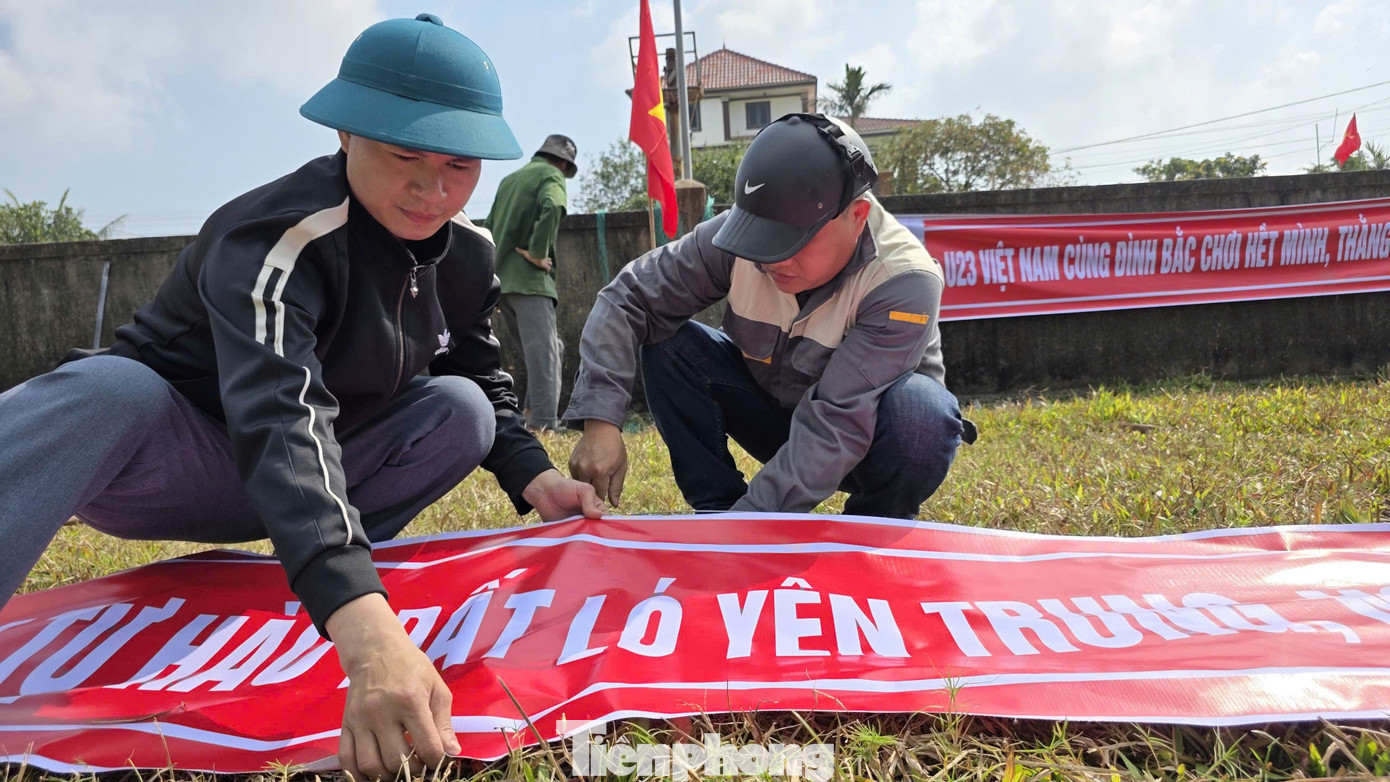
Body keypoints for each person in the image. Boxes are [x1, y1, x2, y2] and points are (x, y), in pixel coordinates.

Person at [0, 14, 604, 778]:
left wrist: (536, 476)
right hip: (183, 461)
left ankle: (315, 588)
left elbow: (480, 370)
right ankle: (347, 598)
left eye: (458, 163)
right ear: (347, 135)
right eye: (403, 154)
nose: (431, 187)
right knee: (106, 390)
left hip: (324, 481)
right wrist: (370, 637)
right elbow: (278, 414)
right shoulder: (276, 238)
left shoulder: (468, 254)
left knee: (463, 412)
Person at [566, 113, 974, 518]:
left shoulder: (901, 280)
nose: (772, 258)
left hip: (865, 437)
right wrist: (600, 420)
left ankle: (870, 525)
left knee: (922, 414)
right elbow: (627, 297)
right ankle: (715, 508)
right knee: (670, 345)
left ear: (856, 217)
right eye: (762, 235)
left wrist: (750, 524)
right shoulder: (735, 239)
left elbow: (838, 421)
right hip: (776, 416)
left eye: (794, 240)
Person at [484, 134, 577, 431]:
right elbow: (553, 207)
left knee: (548, 350)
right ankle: (546, 424)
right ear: (562, 163)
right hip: (530, 283)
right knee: (545, 355)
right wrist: (537, 253)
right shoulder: (551, 175)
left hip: (503, 283)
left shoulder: (509, 181)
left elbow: (487, 228)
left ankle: (529, 413)